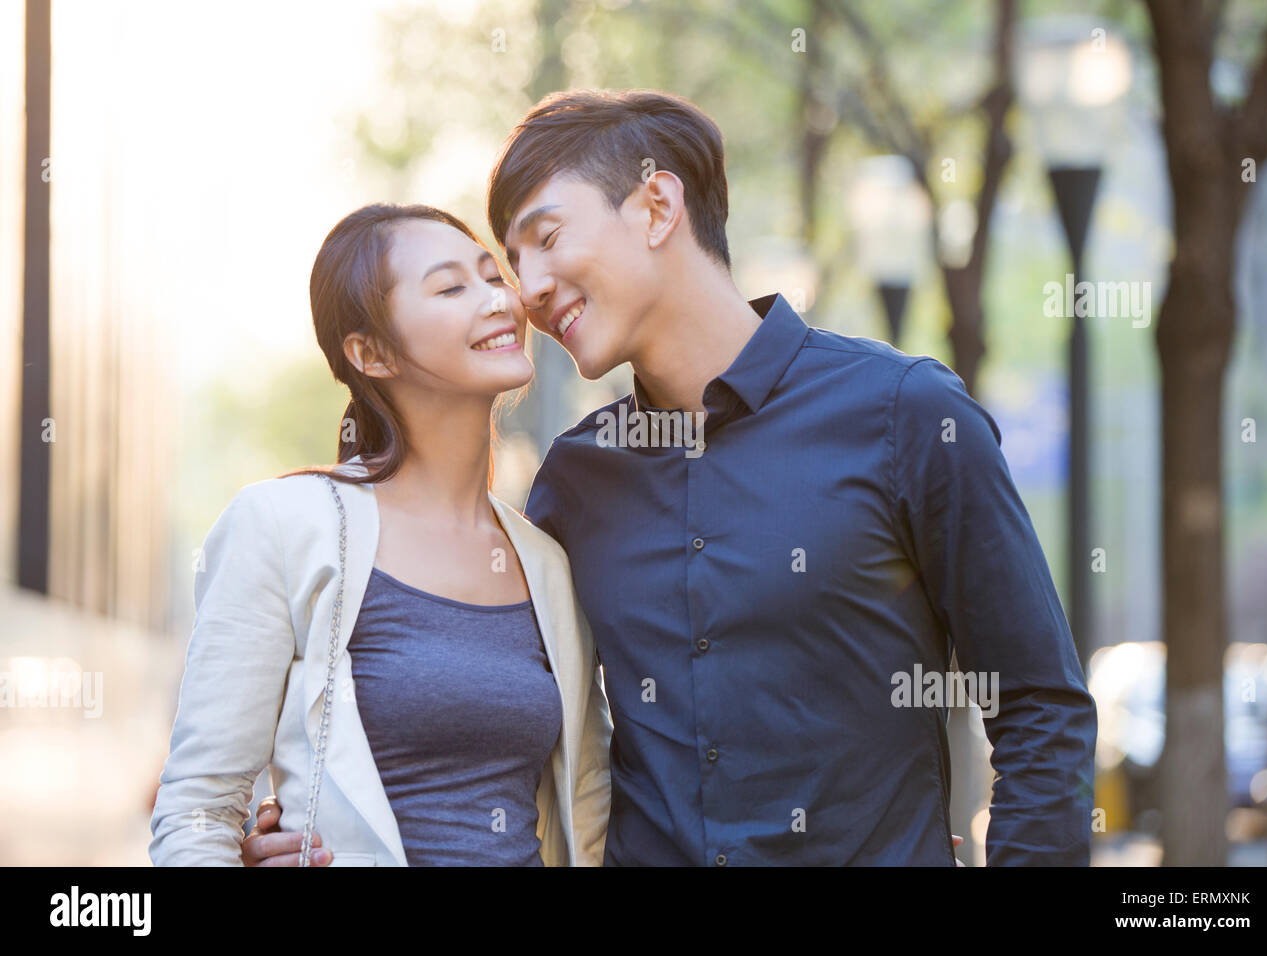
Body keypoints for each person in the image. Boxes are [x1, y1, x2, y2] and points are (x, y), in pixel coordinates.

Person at [250, 88, 1097, 866]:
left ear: (657, 205)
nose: (528, 293)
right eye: (513, 259)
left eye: (546, 239)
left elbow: (1038, 710)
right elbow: (486, 727)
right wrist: (308, 827)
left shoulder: (905, 416)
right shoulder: (575, 484)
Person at [149, 203, 612, 866]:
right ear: (370, 352)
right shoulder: (283, 526)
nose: (498, 301)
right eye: (452, 288)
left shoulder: (547, 559)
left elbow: (588, 805)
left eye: (493, 277)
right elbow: (199, 807)